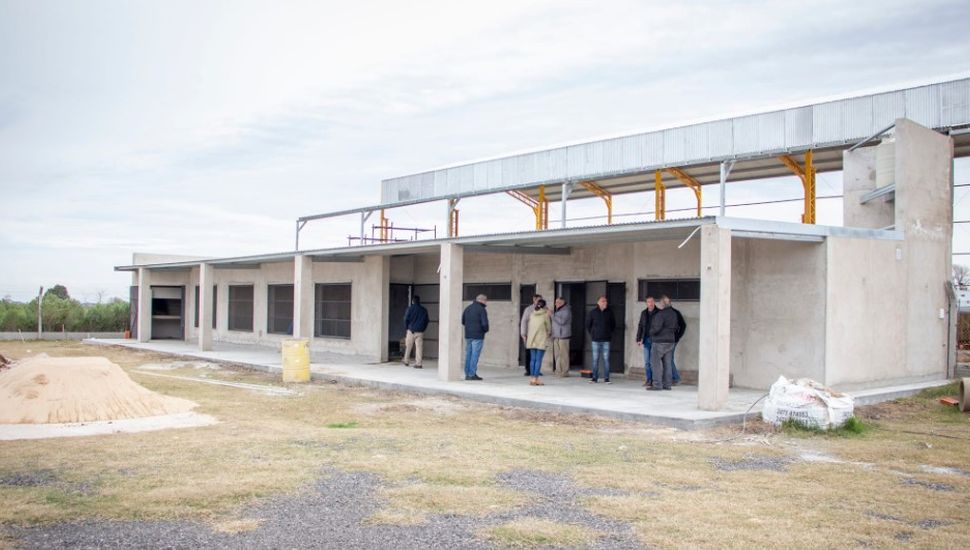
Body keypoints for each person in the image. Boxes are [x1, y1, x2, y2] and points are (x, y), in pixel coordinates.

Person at [647, 295, 677, 390]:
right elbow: (677, 327)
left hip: (659, 341)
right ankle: (667, 385)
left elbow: (656, 328)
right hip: (670, 341)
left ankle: (657, 384)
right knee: (667, 363)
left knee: (655, 363)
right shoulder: (674, 314)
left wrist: (651, 333)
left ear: (662, 304)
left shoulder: (660, 314)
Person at [585, 295, 615, 384]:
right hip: (595, 340)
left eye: (605, 301)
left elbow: (613, 325)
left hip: (606, 340)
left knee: (606, 360)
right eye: (602, 301)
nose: (605, 302)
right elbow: (588, 325)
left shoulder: (609, 312)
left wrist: (609, 333)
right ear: (598, 303)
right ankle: (594, 378)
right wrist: (593, 334)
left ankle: (606, 378)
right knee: (595, 359)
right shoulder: (593, 312)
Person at [461, 294, 489, 381]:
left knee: (468, 354)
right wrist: (485, 330)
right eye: (486, 301)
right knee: (475, 355)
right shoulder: (482, 310)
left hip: (468, 335)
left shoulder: (468, 308)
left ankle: (467, 374)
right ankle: (472, 374)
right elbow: (484, 323)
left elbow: (463, 321)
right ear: (482, 300)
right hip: (478, 336)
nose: (486, 303)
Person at [520, 294, 548, 376]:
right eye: (538, 300)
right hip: (530, 334)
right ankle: (529, 370)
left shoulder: (545, 309)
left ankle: (536, 371)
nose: (539, 302)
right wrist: (523, 334)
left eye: (541, 300)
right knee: (530, 354)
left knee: (537, 356)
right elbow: (524, 321)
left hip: (541, 335)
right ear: (534, 300)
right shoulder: (529, 309)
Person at [525, 299, 551, 386]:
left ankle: (532, 378)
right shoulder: (545, 315)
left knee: (533, 360)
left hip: (532, 340)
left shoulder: (532, 314)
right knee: (538, 360)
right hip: (541, 340)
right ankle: (536, 379)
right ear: (544, 306)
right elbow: (549, 328)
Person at [662, 295, 685, 385]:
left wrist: (678, 336)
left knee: (669, 358)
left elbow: (683, 325)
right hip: (663, 339)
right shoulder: (662, 313)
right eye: (664, 302)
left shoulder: (676, 313)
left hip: (672, 339)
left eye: (666, 302)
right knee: (667, 358)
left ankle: (675, 377)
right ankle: (670, 377)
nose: (664, 304)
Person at [403, 295, 429, 369]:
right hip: (420, 331)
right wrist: (423, 329)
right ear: (419, 301)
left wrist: (407, 328)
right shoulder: (424, 310)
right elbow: (426, 321)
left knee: (408, 346)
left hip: (411, 331)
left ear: (412, 301)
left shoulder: (409, 309)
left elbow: (405, 319)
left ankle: (406, 361)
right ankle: (418, 363)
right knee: (419, 348)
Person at [635, 296, 656, 386]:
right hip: (646, 339)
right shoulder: (644, 313)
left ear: (654, 302)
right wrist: (638, 338)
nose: (650, 303)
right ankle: (648, 379)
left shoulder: (659, 313)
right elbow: (640, 326)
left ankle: (655, 380)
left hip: (656, 340)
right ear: (646, 303)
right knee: (647, 361)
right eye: (648, 302)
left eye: (651, 301)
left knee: (654, 361)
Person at [551, 296, 572, 377]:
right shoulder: (558, 310)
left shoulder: (567, 310)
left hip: (563, 336)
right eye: (556, 302)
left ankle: (565, 372)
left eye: (559, 302)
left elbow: (562, 321)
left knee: (564, 355)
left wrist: (552, 315)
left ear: (563, 302)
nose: (556, 304)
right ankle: (558, 371)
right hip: (556, 336)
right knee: (557, 355)